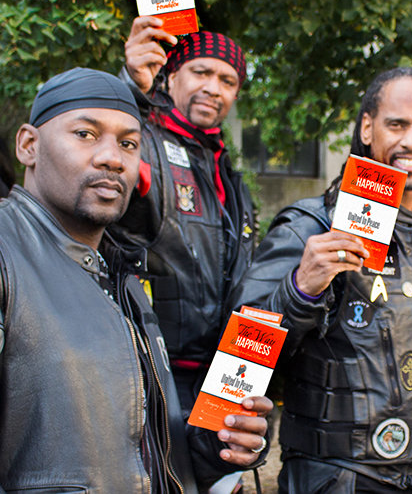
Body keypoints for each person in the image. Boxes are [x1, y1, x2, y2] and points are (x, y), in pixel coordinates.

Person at [0, 67, 270, 494]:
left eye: (128, 143)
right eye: (86, 134)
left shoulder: (123, 278)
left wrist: (218, 443)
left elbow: (149, 458)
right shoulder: (6, 253)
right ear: (28, 145)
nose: (112, 158)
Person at [239, 67, 412, 492]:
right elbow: (243, 349)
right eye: (397, 124)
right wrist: (300, 289)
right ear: (367, 127)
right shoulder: (311, 227)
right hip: (333, 479)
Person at [112, 16, 257, 421]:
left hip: (216, 376)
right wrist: (131, 87)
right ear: (171, 76)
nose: (213, 87)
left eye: (227, 81)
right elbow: (107, 152)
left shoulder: (226, 172)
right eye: (201, 72)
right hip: (148, 371)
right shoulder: (143, 144)